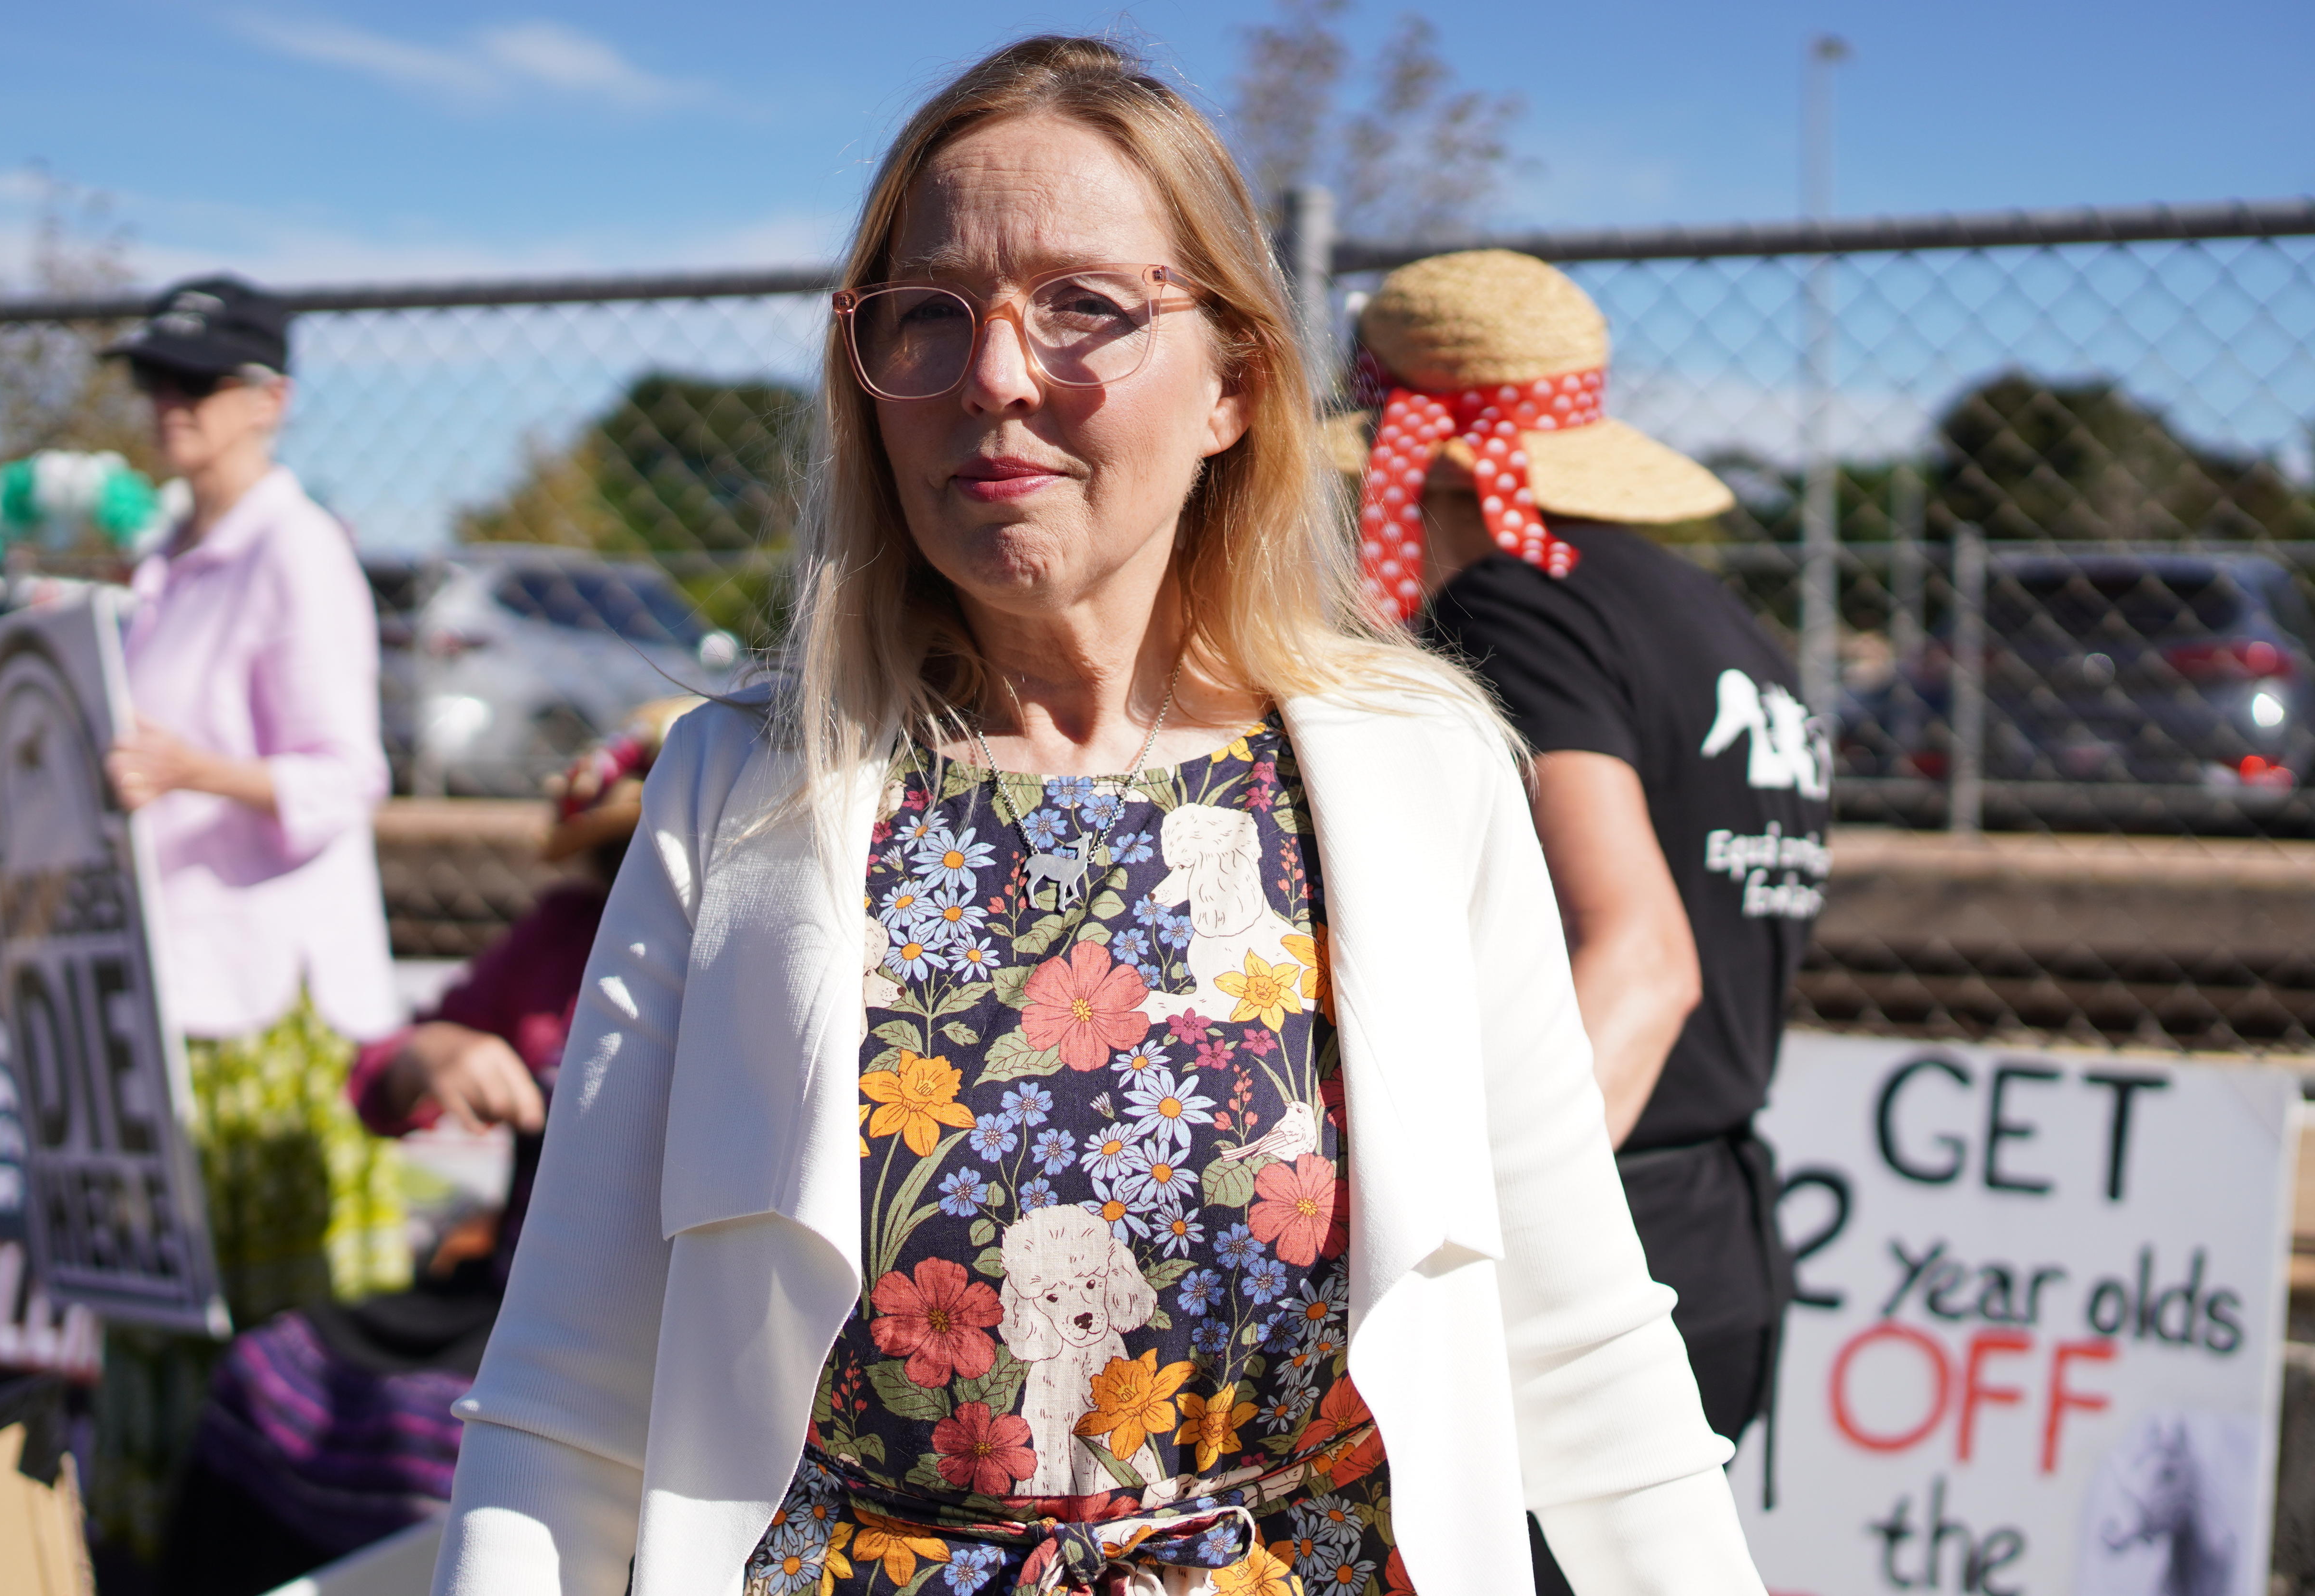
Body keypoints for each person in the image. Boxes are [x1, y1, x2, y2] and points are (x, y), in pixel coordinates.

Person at [435, 36, 1766, 1596]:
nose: (995, 374)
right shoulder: (743, 788)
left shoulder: (1418, 768)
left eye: (1085, 307)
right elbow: (568, 1392)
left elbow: (1580, 1330)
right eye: (927, 314)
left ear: (1234, 385)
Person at [1337, 251, 1828, 1592]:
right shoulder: (1717, 619)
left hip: (1593, 1247)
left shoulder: (1517, 598)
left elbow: (1643, 955)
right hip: (1717, 1225)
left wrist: (1460, 1243)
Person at [160, 701, 695, 1596]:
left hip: (676, 1331)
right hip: (524, 1295)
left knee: (440, 1443)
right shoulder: (565, 937)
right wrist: (436, 1056)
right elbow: (382, 1075)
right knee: (265, 1376)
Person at [92, 276, 408, 1568]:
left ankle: (265, 1555)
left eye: (197, 381)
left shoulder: (297, 548)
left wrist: (193, 770)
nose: (168, 404)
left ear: (267, 401)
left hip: (272, 1008)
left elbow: (347, 776)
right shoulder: (165, 553)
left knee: (276, 1340)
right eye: (156, 380)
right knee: (164, 1312)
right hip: (177, 989)